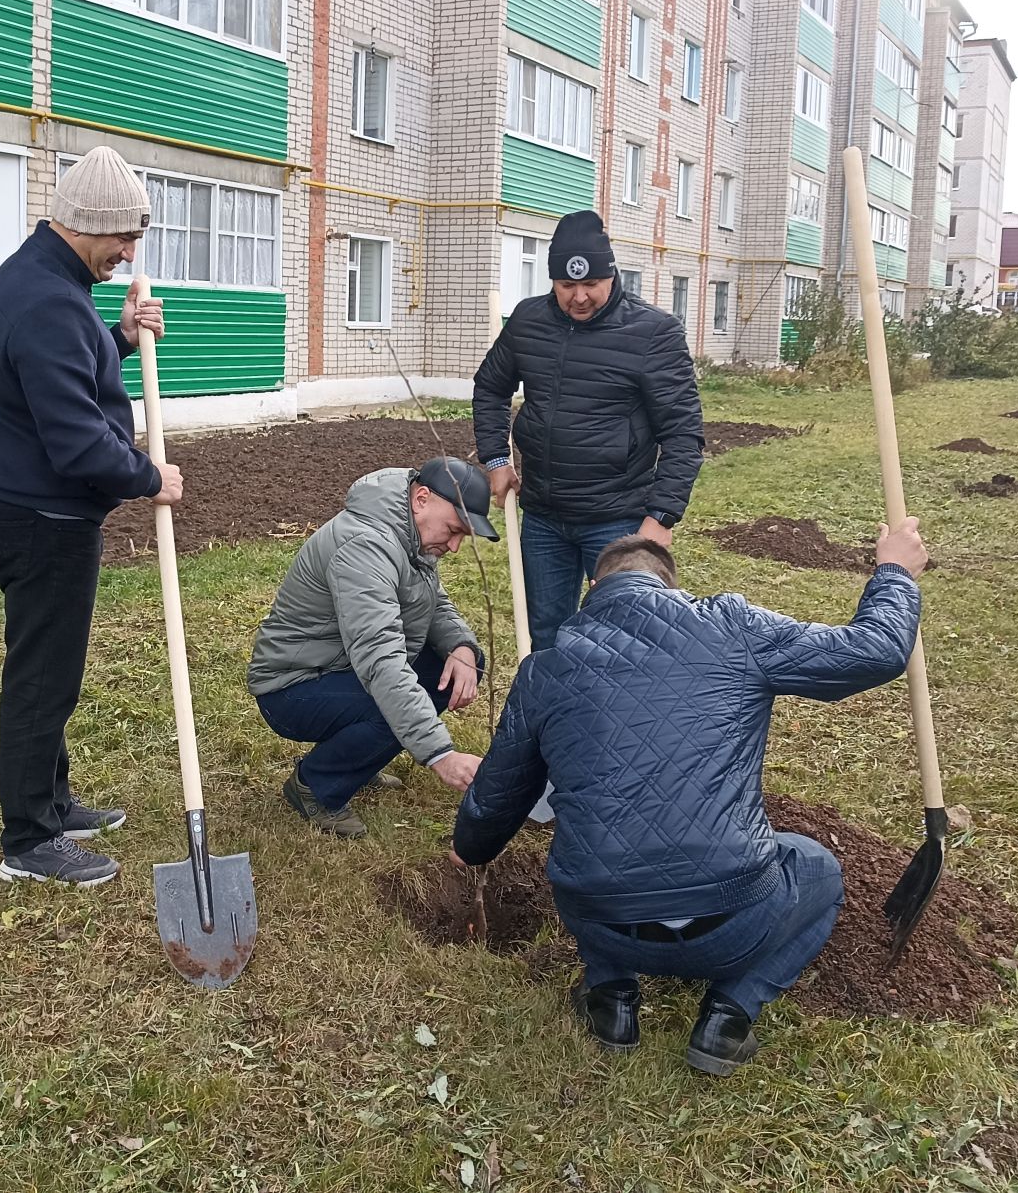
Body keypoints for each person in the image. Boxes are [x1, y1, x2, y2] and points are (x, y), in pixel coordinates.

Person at [450, 522, 927, 1075]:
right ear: (671, 586)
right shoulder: (731, 625)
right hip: (734, 924)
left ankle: (612, 1001)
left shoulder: (546, 668)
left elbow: (500, 794)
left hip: (602, 919)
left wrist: (470, 845)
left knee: (597, 848)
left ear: (594, 594)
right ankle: (730, 1013)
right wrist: (893, 572)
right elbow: (873, 651)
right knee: (820, 870)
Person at [0, 147, 184, 888]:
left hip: (29, 509)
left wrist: (122, 336)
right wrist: (148, 475)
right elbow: (74, 441)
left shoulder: (45, 282)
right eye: (124, 239)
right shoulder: (47, 300)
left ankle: (53, 802)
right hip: (43, 520)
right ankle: (30, 839)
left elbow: (68, 373)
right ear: (86, 224)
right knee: (42, 677)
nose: (130, 255)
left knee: (50, 669)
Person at [472, 209, 706, 653]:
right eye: (566, 286)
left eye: (590, 285)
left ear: (611, 276)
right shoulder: (528, 321)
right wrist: (497, 460)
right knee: (545, 635)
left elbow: (683, 433)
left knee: (626, 638)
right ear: (552, 282)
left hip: (619, 520)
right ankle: (548, 719)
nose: (579, 297)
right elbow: (490, 387)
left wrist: (660, 518)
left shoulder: (654, 332)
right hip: (544, 518)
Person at [249, 458, 497, 839]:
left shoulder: (408, 536)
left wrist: (462, 647)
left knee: (447, 670)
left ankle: (356, 761)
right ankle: (314, 787)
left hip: (340, 668)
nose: (455, 546)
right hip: (293, 686)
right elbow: (381, 659)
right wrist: (440, 755)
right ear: (422, 499)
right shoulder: (364, 546)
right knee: (391, 702)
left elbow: (432, 603)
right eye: (453, 530)